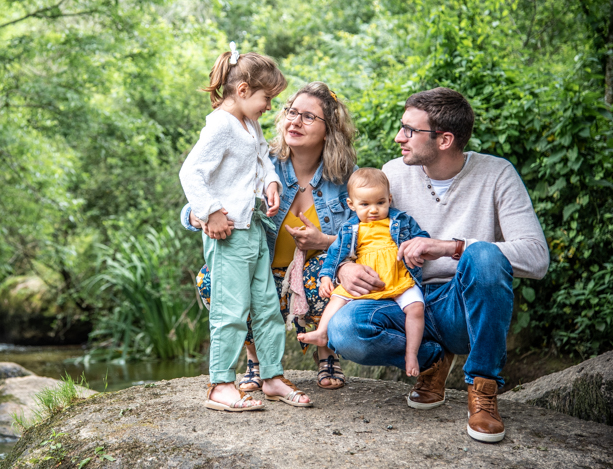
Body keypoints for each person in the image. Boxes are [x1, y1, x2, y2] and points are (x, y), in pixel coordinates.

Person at [327, 87, 549, 443]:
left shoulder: (497, 174)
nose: (399, 137)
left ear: (444, 139)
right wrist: (343, 268)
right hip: (401, 300)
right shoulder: (392, 173)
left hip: (462, 307)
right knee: (344, 331)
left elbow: (536, 256)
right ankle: (432, 362)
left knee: (485, 255)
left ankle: (482, 388)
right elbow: (360, 235)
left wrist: (449, 247)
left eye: (410, 131)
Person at [183, 81, 357, 393]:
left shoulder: (344, 176)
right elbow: (195, 200)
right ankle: (255, 360)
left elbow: (364, 234)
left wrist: (325, 242)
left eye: (307, 116)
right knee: (211, 279)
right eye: (291, 112)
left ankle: (326, 352)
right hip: (261, 269)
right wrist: (203, 215)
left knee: (342, 274)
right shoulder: (262, 161)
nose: (294, 121)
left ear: (329, 129)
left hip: (314, 273)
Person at [179, 44, 313, 412]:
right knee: (230, 309)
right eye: (267, 98)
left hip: (254, 227)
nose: (271, 106)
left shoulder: (248, 123)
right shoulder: (220, 126)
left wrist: (270, 182)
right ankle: (221, 384)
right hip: (229, 234)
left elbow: (262, 161)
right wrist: (209, 212)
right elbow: (190, 173)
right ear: (242, 91)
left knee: (267, 306)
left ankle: (271, 376)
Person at [297, 168, 428, 377]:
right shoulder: (351, 228)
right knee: (337, 298)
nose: (374, 210)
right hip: (364, 280)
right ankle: (322, 332)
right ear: (352, 204)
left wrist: (419, 249)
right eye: (365, 205)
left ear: (389, 199)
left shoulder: (400, 221)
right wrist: (325, 278)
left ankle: (411, 354)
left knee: (416, 309)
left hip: (399, 277)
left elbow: (423, 238)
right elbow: (335, 254)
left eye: (380, 202)